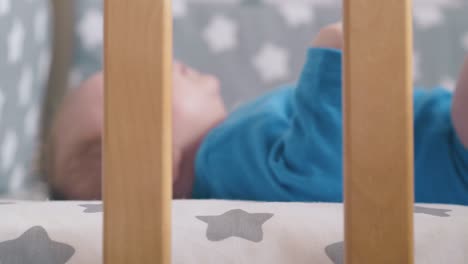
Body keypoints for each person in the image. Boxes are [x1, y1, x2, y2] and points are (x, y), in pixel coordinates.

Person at [46, 23, 468, 205]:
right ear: (154, 161)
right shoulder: (221, 154)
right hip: (451, 158)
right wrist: (334, 63)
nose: (165, 64)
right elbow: (315, 182)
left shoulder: (228, 157)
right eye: (141, 83)